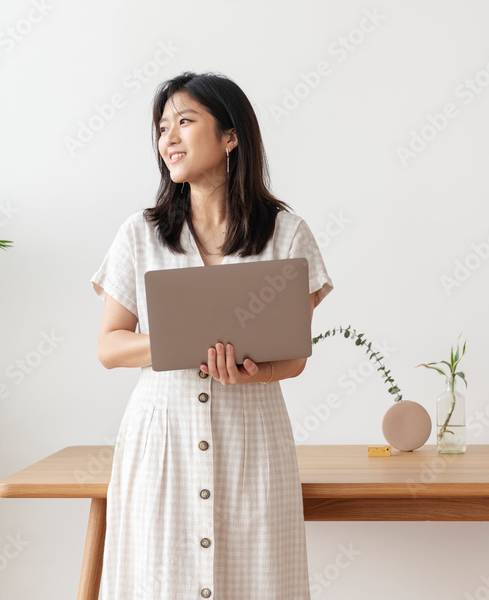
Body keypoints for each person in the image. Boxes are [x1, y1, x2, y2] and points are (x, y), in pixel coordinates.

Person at [90, 71, 332, 599]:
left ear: (231, 136)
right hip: (162, 442)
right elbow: (110, 346)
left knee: (259, 581)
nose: (168, 139)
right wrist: (184, 340)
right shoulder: (141, 233)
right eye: (161, 128)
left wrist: (252, 374)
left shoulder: (286, 233)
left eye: (184, 121)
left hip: (252, 437)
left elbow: (294, 356)